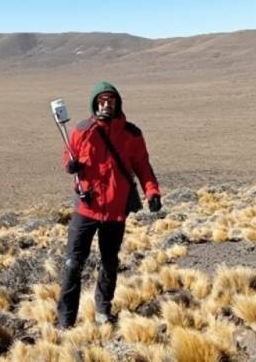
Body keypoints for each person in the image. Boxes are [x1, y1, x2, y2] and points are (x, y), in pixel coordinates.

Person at [56, 81, 162, 329]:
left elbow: (143, 166)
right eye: (101, 101)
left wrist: (152, 191)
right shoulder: (82, 131)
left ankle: (103, 310)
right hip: (86, 208)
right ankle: (65, 321)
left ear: (117, 103)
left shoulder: (132, 134)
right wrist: (70, 166)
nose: (106, 105)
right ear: (95, 104)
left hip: (115, 210)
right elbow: (68, 156)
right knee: (72, 263)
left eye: (111, 101)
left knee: (109, 262)